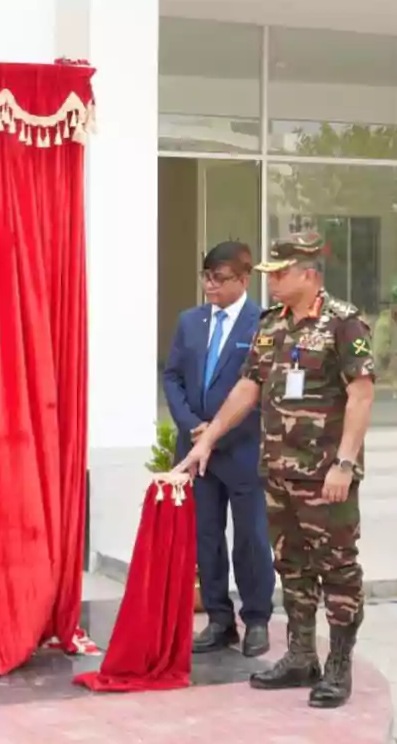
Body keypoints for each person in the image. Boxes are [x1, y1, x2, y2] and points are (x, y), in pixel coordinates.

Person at [173, 230, 375, 709]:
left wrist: (344, 462)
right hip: (279, 472)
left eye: (281, 274)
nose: (274, 283)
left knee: (337, 572)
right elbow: (248, 386)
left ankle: (338, 666)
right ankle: (301, 656)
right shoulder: (271, 325)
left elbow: (361, 393)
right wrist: (210, 440)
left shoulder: (344, 323)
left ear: (308, 274)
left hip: (326, 475)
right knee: (294, 567)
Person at [162, 240, 275, 657]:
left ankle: (257, 619)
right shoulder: (190, 322)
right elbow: (172, 377)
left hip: (244, 448)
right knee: (205, 535)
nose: (210, 286)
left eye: (220, 278)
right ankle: (218, 618)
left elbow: (262, 389)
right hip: (196, 449)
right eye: (206, 277)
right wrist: (194, 428)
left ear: (244, 279)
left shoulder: (263, 323)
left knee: (250, 536)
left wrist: (218, 433)